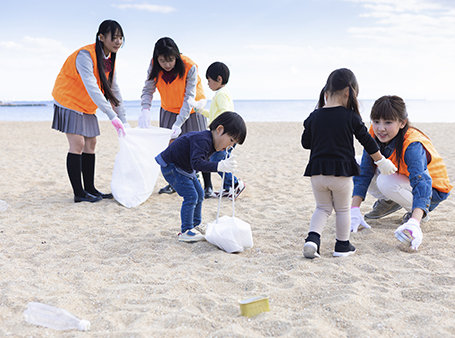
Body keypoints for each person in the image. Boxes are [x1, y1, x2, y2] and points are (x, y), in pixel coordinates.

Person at [301, 68, 396, 259]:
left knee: (322, 208)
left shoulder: (314, 116)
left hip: (317, 173)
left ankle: (312, 240)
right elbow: (367, 141)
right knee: (342, 209)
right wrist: (381, 161)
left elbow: (306, 143)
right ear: (348, 93)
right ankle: (342, 246)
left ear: (326, 93)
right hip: (341, 174)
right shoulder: (351, 117)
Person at [350, 95, 452, 250]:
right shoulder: (374, 133)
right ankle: (390, 201)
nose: (381, 128)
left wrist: (414, 223)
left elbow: (422, 182)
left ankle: (418, 214)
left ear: (402, 122)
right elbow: (365, 170)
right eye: (376, 121)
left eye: (388, 122)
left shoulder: (412, 144)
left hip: (431, 192)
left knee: (385, 181)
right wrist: (354, 210)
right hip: (402, 179)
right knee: (354, 163)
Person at [52, 19, 128, 203]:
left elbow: (114, 88)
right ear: (101, 37)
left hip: (86, 104)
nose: (118, 41)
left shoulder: (110, 59)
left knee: (91, 144)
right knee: (77, 144)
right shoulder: (85, 55)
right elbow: (92, 86)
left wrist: (123, 118)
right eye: (114, 37)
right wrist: (111, 115)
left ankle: (90, 188)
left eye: (120, 38)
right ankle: (79, 193)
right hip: (69, 100)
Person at [155, 111, 247, 242]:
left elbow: (197, 165)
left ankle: (196, 226)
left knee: (199, 193)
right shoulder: (203, 140)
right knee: (191, 196)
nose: (231, 146)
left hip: (185, 167)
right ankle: (186, 230)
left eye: (234, 143)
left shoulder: (212, 144)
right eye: (231, 140)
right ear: (220, 130)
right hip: (172, 166)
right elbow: (197, 163)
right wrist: (219, 166)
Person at [138, 37, 207, 195]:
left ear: (176, 55)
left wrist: (178, 123)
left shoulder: (190, 66)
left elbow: (189, 98)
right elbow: (148, 89)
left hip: (191, 110)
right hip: (169, 109)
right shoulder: (154, 65)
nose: (167, 64)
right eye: (162, 60)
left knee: (197, 148)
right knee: (171, 149)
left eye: (170, 60)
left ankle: (204, 184)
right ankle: (175, 183)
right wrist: (145, 109)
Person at [196, 62, 245, 200]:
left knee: (217, 160)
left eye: (209, 80)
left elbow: (225, 113)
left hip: (226, 135)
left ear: (219, 79)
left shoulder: (221, 95)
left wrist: (222, 132)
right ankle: (226, 187)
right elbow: (214, 115)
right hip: (227, 134)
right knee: (221, 159)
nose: (208, 84)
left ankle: (235, 183)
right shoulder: (221, 93)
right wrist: (199, 111)